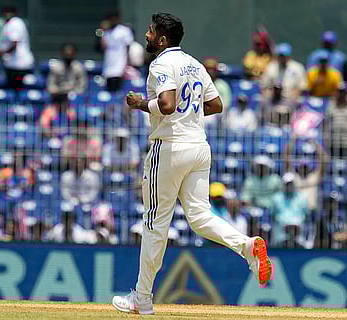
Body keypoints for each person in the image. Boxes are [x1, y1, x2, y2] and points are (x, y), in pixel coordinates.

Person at [111, 13, 272, 315]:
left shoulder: (160, 63)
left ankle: (142, 298)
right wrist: (189, 115)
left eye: (150, 31)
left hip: (170, 148)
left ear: (162, 39)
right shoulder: (194, 64)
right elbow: (215, 105)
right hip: (199, 146)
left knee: (154, 224)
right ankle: (247, 246)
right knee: (199, 217)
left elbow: (168, 105)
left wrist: (140, 104)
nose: (146, 35)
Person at [0, 6, 35, 89]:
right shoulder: (16, 23)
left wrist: (0, 53)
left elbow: (14, 43)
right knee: (16, 91)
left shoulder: (14, 23)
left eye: (9, 12)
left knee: (16, 90)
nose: (7, 14)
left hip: (18, 66)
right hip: (17, 65)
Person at [98, 11, 134, 93]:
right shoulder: (106, 32)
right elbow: (101, 48)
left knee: (118, 93)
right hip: (108, 67)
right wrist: (101, 31)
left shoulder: (124, 31)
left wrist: (127, 64)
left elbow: (128, 47)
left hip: (120, 67)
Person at [47, 43, 87, 108]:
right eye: (66, 53)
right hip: (57, 99)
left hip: (74, 102)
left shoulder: (79, 68)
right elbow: (51, 87)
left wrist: (70, 93)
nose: (68, 55)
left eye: (70, 53)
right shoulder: (55, 67)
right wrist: (61, 92)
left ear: (74, 53)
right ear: (62, 53)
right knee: (45, 116)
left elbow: (82, 88)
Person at [324, 82, 347, 158]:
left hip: (345, 142)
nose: (341, 94)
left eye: (343, 92)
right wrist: (327, 139)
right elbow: (325, 124)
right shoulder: (330, 107)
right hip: (333, 143)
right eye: (340, 92)